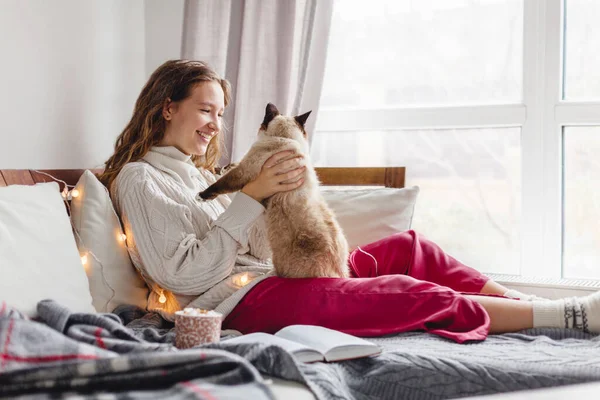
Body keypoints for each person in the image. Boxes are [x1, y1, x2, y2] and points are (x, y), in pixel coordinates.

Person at [100, 59, 600, 343]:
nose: (215, 124)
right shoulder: (141, 180)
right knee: (402, 290)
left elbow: (256, 241)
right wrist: (251, 196)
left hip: (280, 275)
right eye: (205, 110)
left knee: (409, 248)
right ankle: (568, 316)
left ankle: (524, 302)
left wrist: (277, 197)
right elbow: (181, 276)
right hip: (239, 304)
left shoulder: (203, 175)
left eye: (221, 113)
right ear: (168, 108)